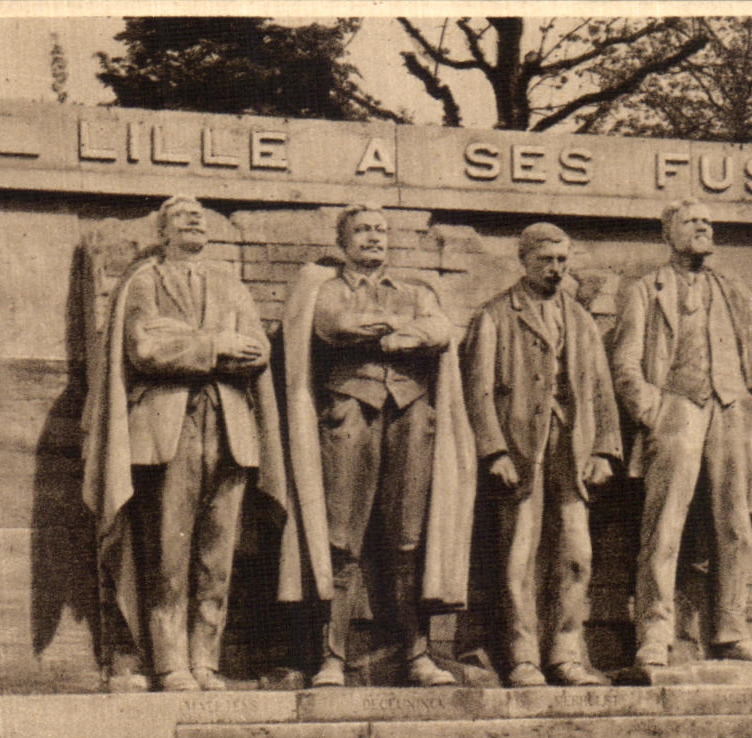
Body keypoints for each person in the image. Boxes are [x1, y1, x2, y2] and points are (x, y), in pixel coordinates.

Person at [82, 195, 291, 693]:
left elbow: (257, 351)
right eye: (181, 216)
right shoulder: (145, 282)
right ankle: (169, 662)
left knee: (217, 556)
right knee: (168, 554)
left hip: (230, 429)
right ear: (163, 232)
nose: (194, 219)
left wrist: (186, 342)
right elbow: (144, 347)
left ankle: (205, 661)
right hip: (167, 430)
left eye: (198, 215)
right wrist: (215, 344)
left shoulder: (229, 283)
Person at [279, 205, 477, 688]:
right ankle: (332, 658)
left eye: (380, 230)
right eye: (362, 230)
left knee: (408, 538)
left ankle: (417, 655)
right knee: (341, 538)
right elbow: (334, 326)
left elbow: (438, 331)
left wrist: (399, 334)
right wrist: (397, 330)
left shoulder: (415, 291)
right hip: (349, 414)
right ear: (343, 241)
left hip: (411, 415)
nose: (373, 237)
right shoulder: (327, 289)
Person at [609, 199, 752, 678]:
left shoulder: (732, 291)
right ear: (669, 234)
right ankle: (655, 634)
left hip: (730, 413)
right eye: (691, 221)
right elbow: (625, 364)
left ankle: (732, 630)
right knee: (664, 525)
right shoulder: (646, 290)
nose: (703, 226)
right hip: (676, 410)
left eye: (708, 221)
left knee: (734, 525)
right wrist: (655, 411)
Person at [463, 223, 622, 687]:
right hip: (520, 450)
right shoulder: (495, 315)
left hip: (572, 448)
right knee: (520, 555)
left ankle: (565, 655)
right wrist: (494, 451)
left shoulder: (580, 319)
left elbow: (602, 390)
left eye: (561, 260)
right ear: (524, 261)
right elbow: (477, 391)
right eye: (545, 261)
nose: (555, 269)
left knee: (576, 554)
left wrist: (604, 450)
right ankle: (522, 656)